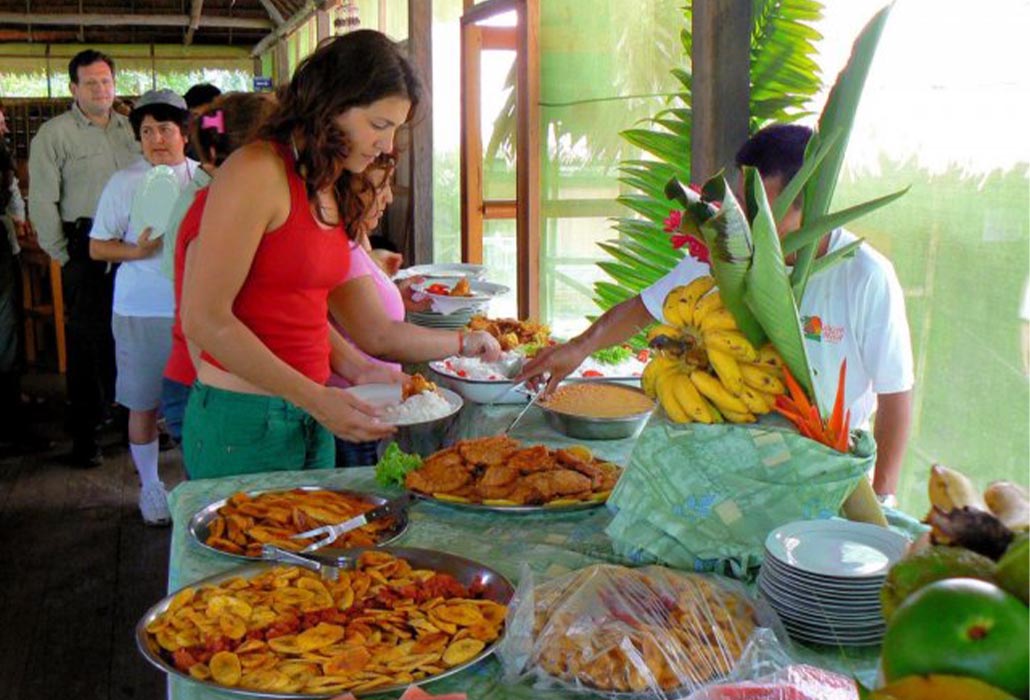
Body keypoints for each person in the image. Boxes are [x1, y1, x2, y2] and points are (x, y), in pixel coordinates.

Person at [520, 124, 914, 503]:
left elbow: (895, 395)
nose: (743, 217)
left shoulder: (865, 276)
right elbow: (643, 307)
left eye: (759, 208)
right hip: (735, 466)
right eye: (741, 201)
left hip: (826, 471)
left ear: (811, 204)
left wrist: (884, 497)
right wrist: (578, 348)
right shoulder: (729, 250)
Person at [181, 30, 421, 479]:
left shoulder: (323, 181)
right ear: (331, 105)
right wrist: (313, 397)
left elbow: (301, 306)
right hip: (245, 420)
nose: (386, 147)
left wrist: (362, 369)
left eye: (394, 131)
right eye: (379, 125)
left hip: (308, 413)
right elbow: (204, 318)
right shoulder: (256, 170)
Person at [329, 158, 502, 466]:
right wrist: (462, 341)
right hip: (353, 411)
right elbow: (380, 338)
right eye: (380, 187)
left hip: (375, 405)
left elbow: (353, 312)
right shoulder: (337, 249)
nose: (389, 198)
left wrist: (396, 297)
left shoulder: (354, 241)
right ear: (347, 190)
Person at [89, 88, 198, 525]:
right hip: (142, 310)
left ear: (184, 134)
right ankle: (151, 487)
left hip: (197, 310)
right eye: (147, 131)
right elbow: (97, 247)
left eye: (165, 129)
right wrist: (139, 250)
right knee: (144, 403)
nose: (156, 138)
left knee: (198, 401)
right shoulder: (124, 182)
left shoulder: (206, 179)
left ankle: (196, 482)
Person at [28, 49, 141, 468]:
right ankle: (85, 433)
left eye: (106, 81)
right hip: (84, 246)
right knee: (86, 342)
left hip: (133, 248)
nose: (100, 89)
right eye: (91, 83)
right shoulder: (54, 135)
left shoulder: (131, 130)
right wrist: (63, 254)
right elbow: (42, 198)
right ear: (73, 88)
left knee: (131, 336)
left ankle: (134, 421)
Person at [161, 92, 278, 452]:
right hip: (207, 389)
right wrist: (217, 401)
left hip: (216, 384)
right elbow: (200, 322)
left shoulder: (222, 200)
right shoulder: (211, 211)